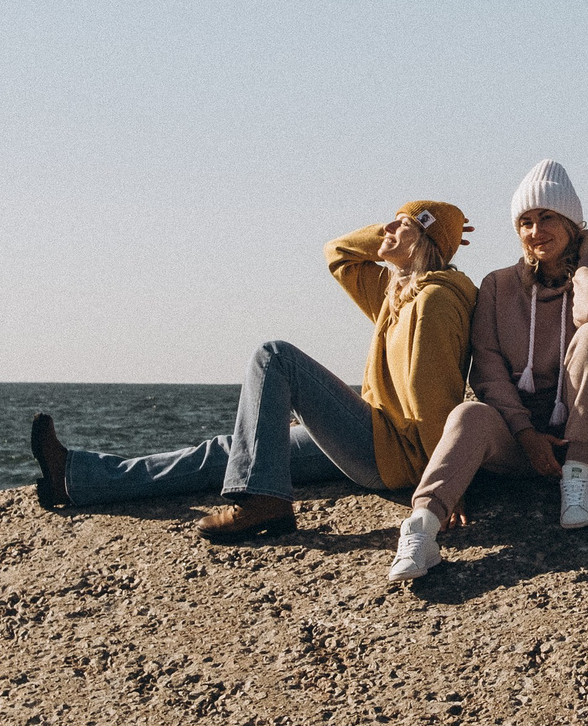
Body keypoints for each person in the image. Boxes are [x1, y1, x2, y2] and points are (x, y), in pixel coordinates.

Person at [26, 202, 479, 538]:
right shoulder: (397, 291)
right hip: (376, 435)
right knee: (236, 453)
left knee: (275, 356)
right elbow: (339, 254)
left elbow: (434, 396)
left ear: (424, 242)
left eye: (402, 225)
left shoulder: (434, 301)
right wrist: (402, 227)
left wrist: (445, 484)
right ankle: (77, 478)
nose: (389, 229)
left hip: (395, 455)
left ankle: (266, 502)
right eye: (389, 222)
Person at [388, 161, 588, 583]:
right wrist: (526, 434)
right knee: (468, 414)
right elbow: (487, 369)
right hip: (522, 441)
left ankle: (577, 478)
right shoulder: (497, 286)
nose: (536, 231)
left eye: (548, 218)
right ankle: (421, 529)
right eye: (526, 222)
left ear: (572, 225)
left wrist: (586, 258)